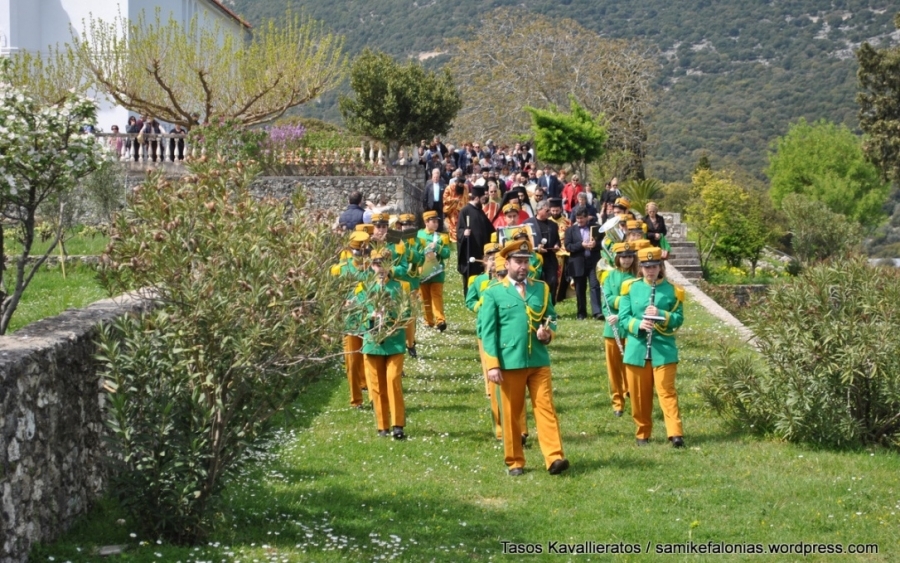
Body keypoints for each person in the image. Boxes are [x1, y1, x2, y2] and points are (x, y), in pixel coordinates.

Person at [480, 237, 569, 476]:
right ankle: (515, 461)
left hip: (539, 360)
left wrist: (548, 333)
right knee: (511, 413)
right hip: (510, 362)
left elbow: (551, 317)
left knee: (546, 408)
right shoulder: (494, 293)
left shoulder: (541, 288)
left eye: (526, 262)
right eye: (518, 261)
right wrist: (493, 365)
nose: (522, 266)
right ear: (506, 263)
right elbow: (487, 332)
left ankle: (554, 457)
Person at [618, 245, 685, 448]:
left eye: (654, 266)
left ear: (660, 267)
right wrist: (639, 324)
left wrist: (662, 315)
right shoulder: (630, 288)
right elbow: (623, 318)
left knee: (667, 392)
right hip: (637, 349)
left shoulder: (673, 291)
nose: (651, 271)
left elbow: (678, 319)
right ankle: (643, 432)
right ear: (641, 267)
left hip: (663, 349)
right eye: (646, 267)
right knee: (639, 396)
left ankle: (675, 434)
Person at [358, 248, 412, 440]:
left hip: (394, 342)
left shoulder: (400, 287)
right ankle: (382, 426)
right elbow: (357, 316)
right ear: (371, 266)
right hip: (373, 343)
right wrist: (370, 318)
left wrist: (390, 317)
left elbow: (407, 314)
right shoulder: (364, 288)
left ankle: (398, 424)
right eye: (376, 264)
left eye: (384, 263)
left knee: (393, 380)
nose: (380, 268)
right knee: (377, 386)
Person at [600, 241, 645, 417]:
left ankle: (633, 395)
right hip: (612, 328)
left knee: (632, 365)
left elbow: (639, 302)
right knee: (614, 368)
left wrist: (622, 311)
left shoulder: (639, 276)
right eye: (623, 257)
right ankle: (617, 402)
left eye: (629, 257)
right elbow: (607, 301)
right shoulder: (609, 277)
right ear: (617, 258)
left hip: (632, 326)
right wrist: (613, 313)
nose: (626, 260)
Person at [331, 231, 373, 409]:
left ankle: (373, 397)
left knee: (370, 360)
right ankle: (356, 400)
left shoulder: (373, 268)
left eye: (365, 253)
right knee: (352, 362)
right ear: (351, 251)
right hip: (350, 321)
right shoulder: (341, 269)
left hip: (369, 320)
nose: (362, 258)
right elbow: (331, 292)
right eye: (359, 254)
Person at [564, 207, 603, 320]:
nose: (580, 220)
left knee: (595, 286)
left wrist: (595, 244)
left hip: (593, 262)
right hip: (578, 263)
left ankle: (597, 312)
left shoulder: (596, 228)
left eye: (582, 218)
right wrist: (581, 245)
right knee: (580, 289)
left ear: (587, 217)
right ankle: (581, 312)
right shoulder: (570, 230)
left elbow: (603, 243)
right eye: (578, 218)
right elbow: (568, 246)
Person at [457, 185, 495, 296]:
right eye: (483, 198)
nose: (485, 200)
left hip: (482, 251)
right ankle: (469, 296)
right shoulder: (465, 211)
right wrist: (464, 233)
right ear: (477, 198)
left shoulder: (480, 211)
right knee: (471, 276)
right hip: (470, 251)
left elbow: (490, 229)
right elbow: (459, 230)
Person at [417, 210, 451, 331]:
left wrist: (437, 247)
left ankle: (440, 321)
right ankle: (428, 321)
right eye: (433, 221)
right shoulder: (418, 235)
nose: (436, 224)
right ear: (426, 222)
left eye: (437, 222)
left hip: (437, 271)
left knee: (437, 296)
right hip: (423, 270)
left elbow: (447, 254)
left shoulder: (442, 237)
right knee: (424, 297)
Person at [395, 213, 423, 358]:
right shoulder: (395, 240)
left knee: (410, 316)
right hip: (397, 283)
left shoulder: (418, 241)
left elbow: (421, 258)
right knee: (398, 315)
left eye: (410, 225)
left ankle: (410, 343)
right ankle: (399, 344)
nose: (407, 227)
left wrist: (409, 253)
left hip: (411, 284)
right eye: (405, 225)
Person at [524, 200, 561, 302]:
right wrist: (536, 247)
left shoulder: (553, 224)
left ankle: (550, 305)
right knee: (536, 283)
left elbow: (557, 239)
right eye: (547, 210)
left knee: (553, 281)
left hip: (550, 258)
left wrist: (557, 245)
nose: (549, 212)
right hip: (534, 258)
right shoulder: (528, 224)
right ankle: (537, 305)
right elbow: (524, 242)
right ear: (539, 210)